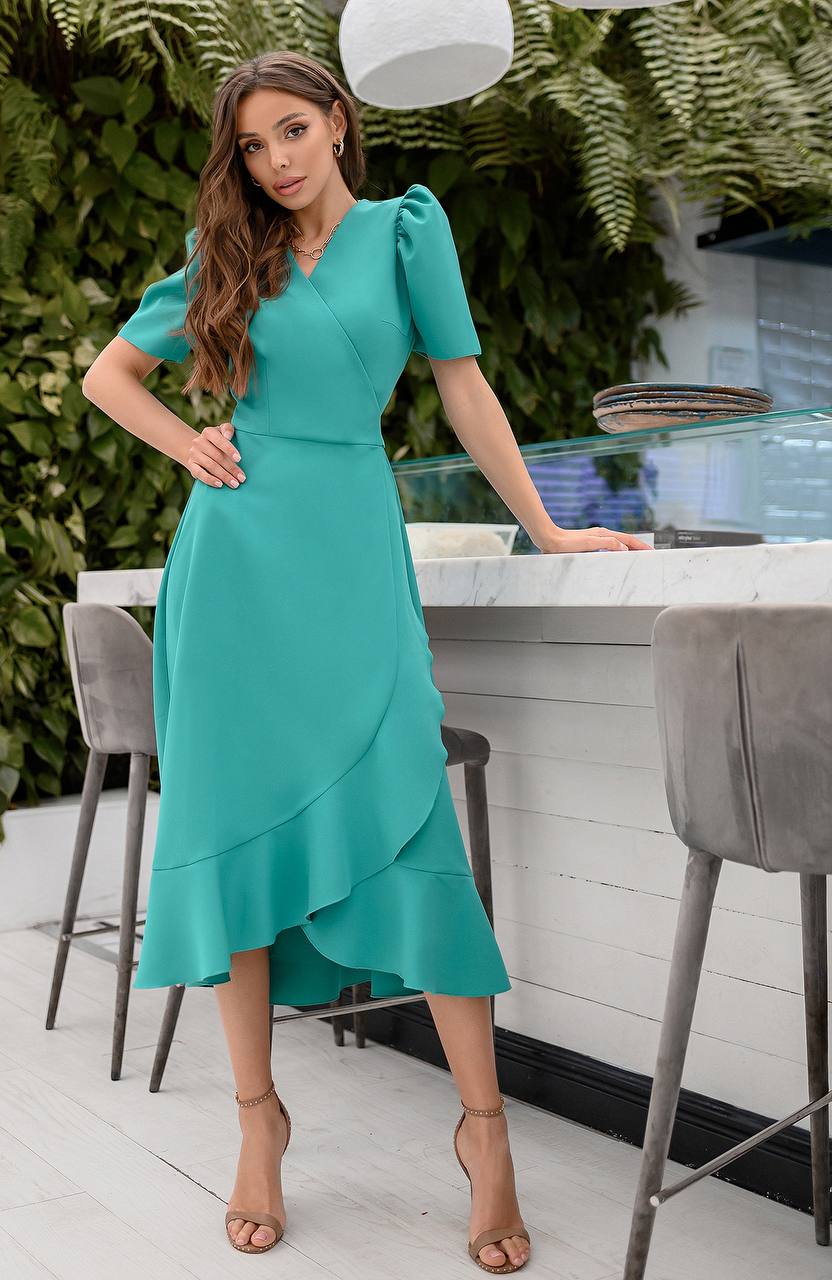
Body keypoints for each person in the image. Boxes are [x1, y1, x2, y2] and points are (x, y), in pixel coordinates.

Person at [83, 48, 652, 1275]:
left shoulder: (408, 232)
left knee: (411, 825)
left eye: (293, 131)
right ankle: (257, 1123)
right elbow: (107, 374)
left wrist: (549, 525)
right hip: (230, 573)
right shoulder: (228, 260)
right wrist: (189, 445)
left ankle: (483, 1131)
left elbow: (465, 390)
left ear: (339, 123)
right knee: (230, 833)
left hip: (349, 554)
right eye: (253, 144)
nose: (276, 160)